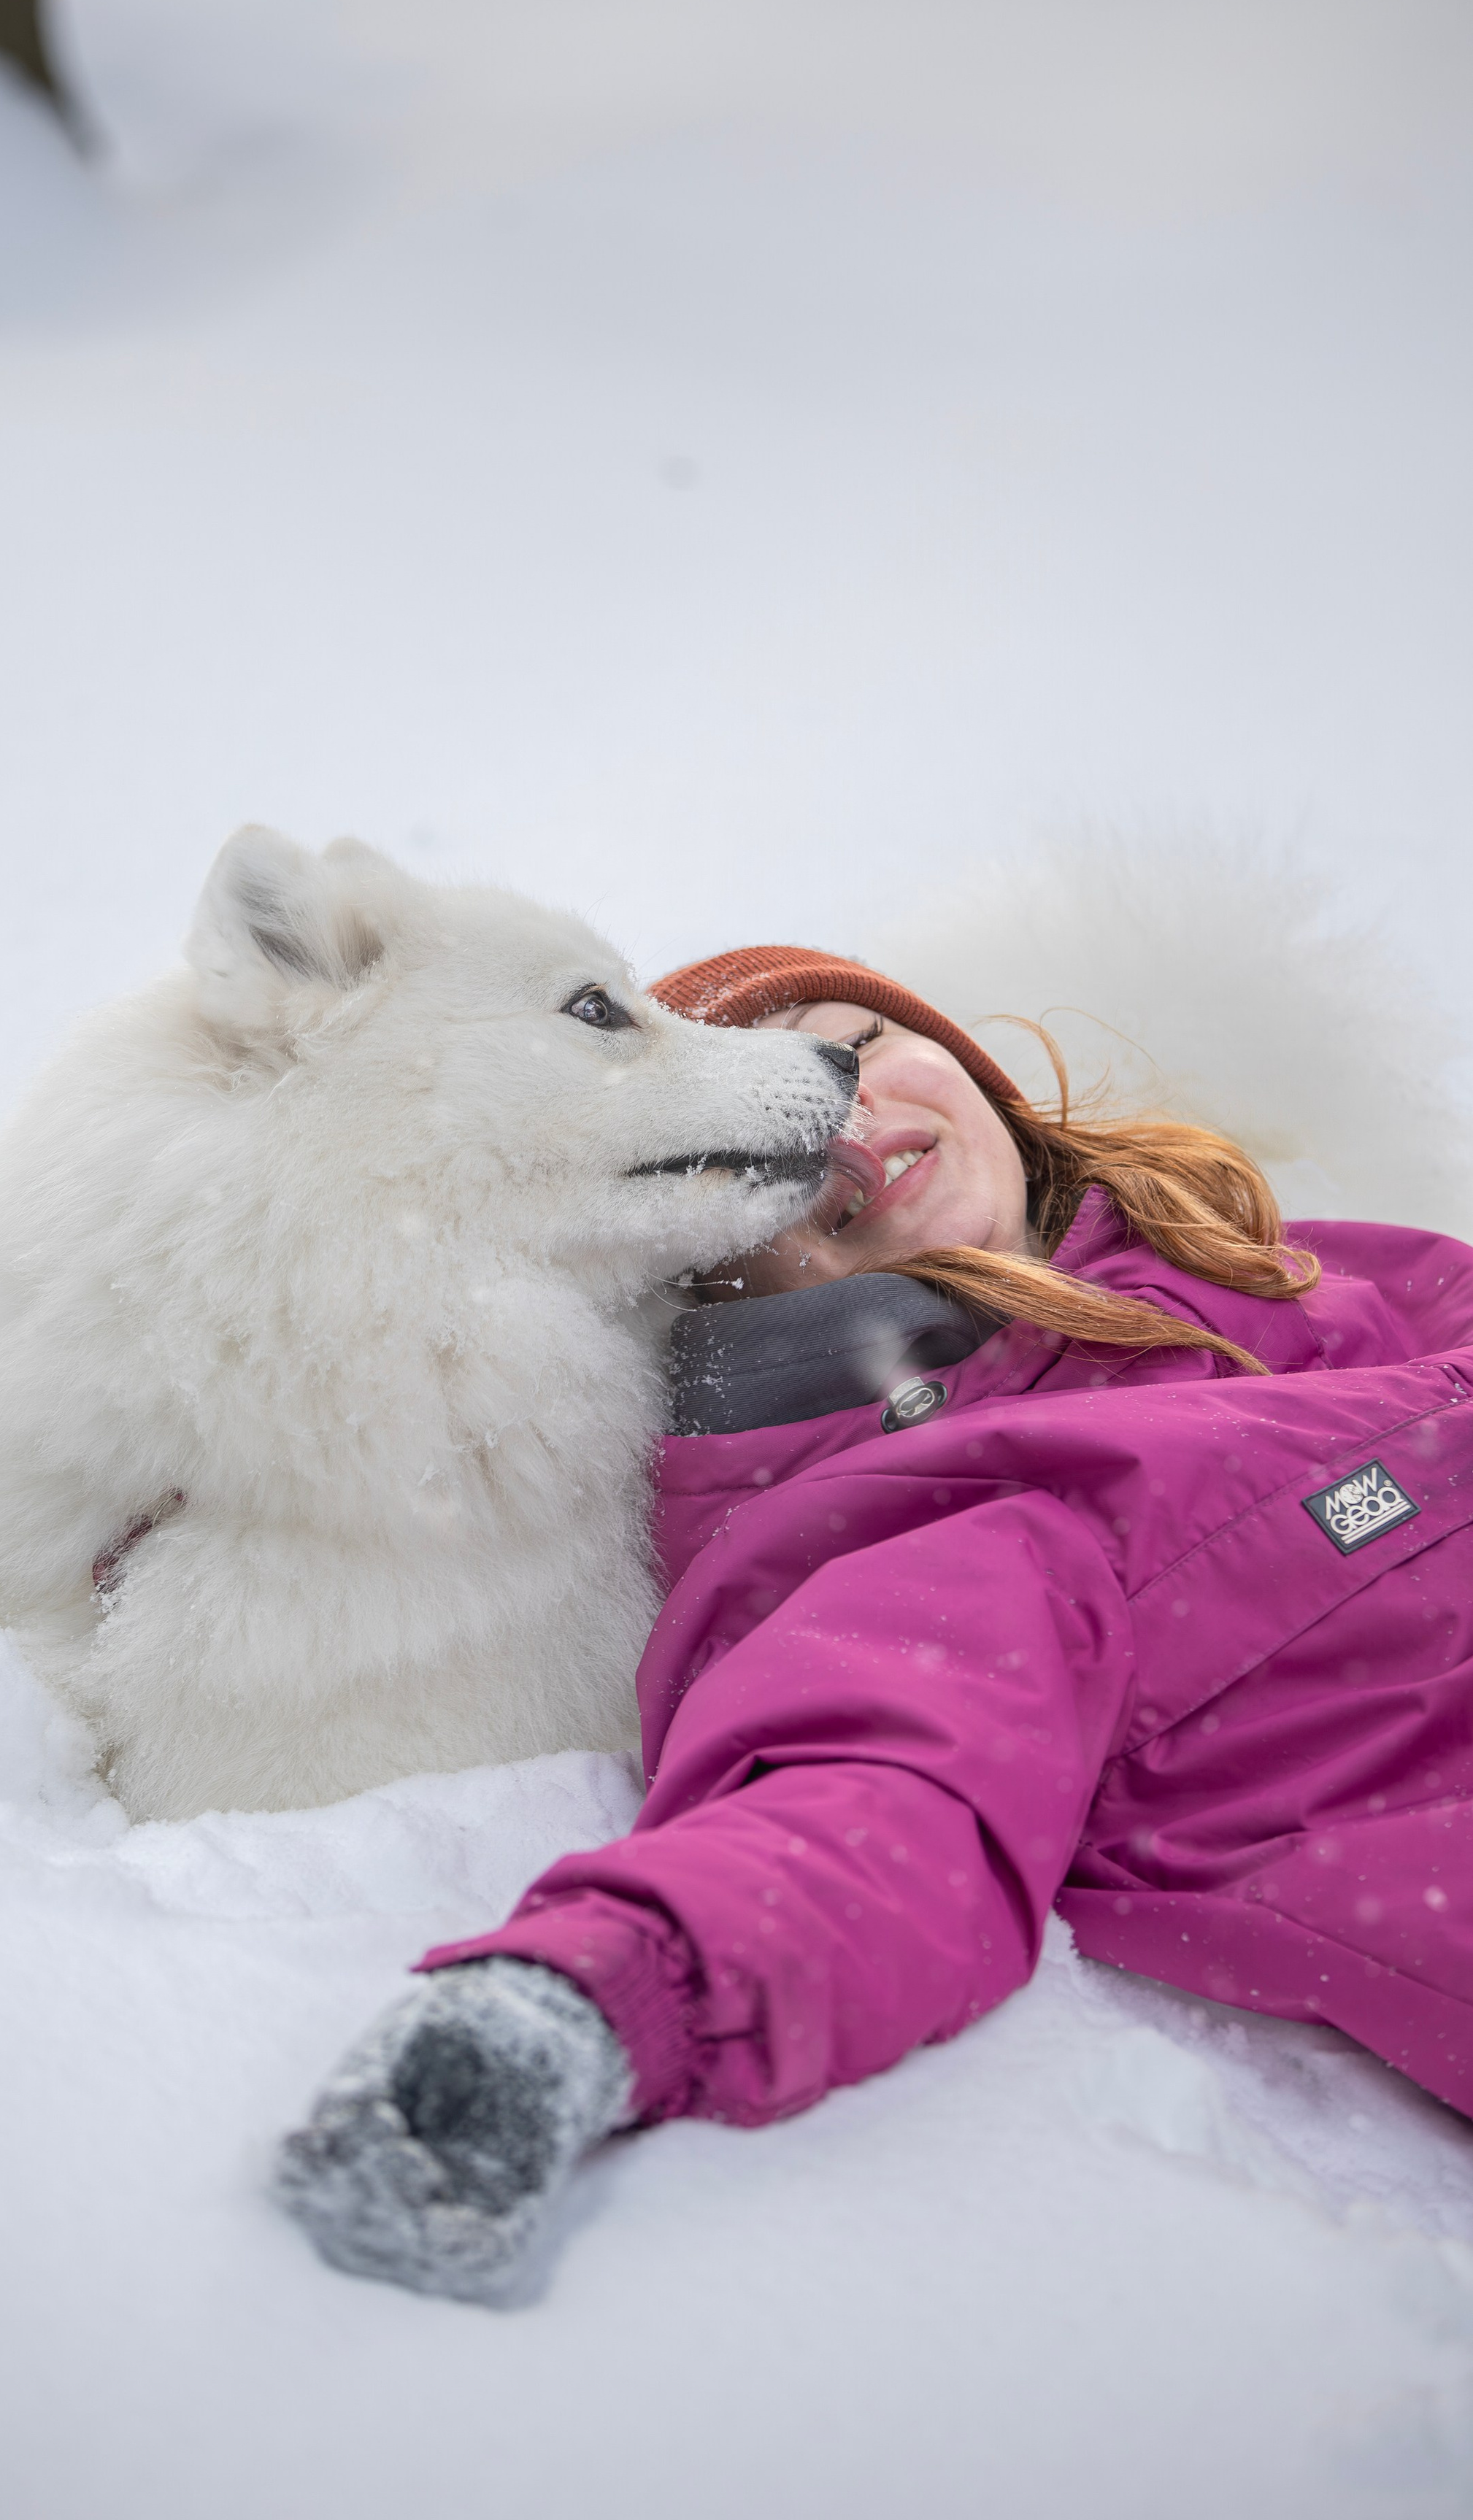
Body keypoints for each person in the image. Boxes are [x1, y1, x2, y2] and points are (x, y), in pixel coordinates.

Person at [277, 945, 1473, 2300]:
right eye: (780, 1118)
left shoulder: (1316, 1275)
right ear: (706, 1275)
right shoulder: (917, 1520)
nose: (845, 1114)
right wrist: (593, 2000)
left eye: (853, 1040)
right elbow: (873, 1789)